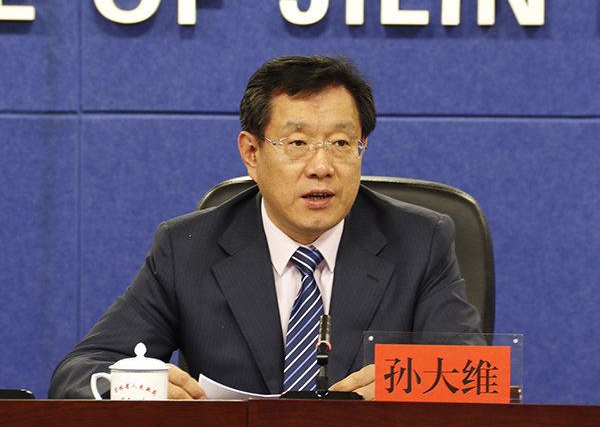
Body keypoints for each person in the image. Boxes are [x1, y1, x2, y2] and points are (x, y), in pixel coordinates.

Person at [49, 55, 482, 400]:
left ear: (361, 148)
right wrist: (136, 386)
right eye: (297, 143)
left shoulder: (419, 242)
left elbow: (474, 376)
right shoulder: (187, 249)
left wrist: (408, 384)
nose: (321, 166)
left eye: (340, 143)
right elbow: (81, 371)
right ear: (252, 153)